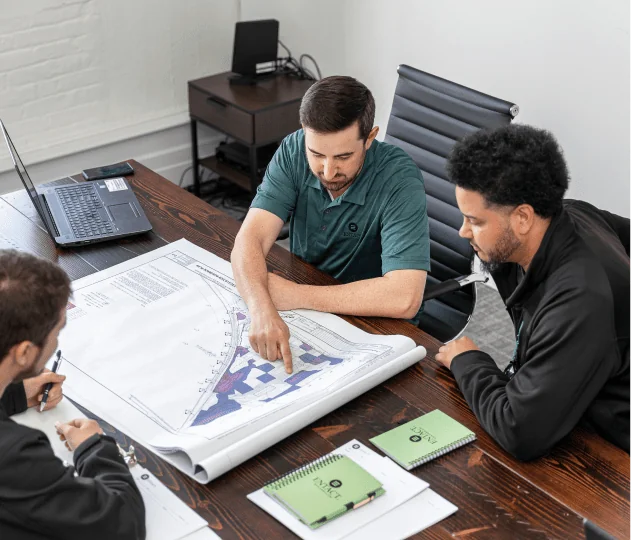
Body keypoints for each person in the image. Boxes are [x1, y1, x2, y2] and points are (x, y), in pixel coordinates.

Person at [435, 124, 631, 460]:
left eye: (476, 221)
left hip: (609, 455)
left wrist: (468, 360)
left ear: (523, 217)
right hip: (572, 401)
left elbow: (519, 431)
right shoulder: (572, 213)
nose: (462, 231)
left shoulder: (581, 301)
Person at [231, 76, 430, 373]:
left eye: (343, 156)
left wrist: (297, 295)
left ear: (370, 137)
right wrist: (261, 309)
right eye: (317, 154)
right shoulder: (294, 149)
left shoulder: (400, 180)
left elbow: (405, 297)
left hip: (374, 327)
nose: (327, 170)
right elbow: (251, 239)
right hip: (309, 311)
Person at [0, 250, 146, 539]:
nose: (57, 340)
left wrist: (13, 393)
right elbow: (121, 524)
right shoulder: (14, 455)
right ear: (25, 352)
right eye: (58, 330)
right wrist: (94, 448)